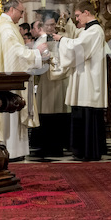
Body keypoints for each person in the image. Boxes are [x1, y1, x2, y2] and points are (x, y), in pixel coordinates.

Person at [0, 0, 49, 160]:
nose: (22, 16)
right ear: (13, 9)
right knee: (11, 115)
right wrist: (36, 52)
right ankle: (12, 151)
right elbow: (15, 53)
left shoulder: (2, 26)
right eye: (21, 12)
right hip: (10, 83)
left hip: (6, 80)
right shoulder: (7, 28)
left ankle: (12, 150)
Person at [52, 0, 108, 161]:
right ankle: (82, 150)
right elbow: (77, 39)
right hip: (84, 77)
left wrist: (61, 40)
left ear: (86, 13)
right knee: (82, 113)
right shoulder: (88, 30)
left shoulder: (95, 30)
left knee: (87, 113)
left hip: (89, 80)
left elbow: (79, 47)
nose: (77, 19)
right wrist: (66, 24)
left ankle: (89, 151)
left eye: (78, 16)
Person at [35, 12, 71, 157]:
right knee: (47, 114)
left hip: (61, 81)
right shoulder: (39, 41)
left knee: (60, 114)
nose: (50, 28)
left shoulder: (62, 39)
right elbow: (35, 58)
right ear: (42, 26)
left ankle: (60, 146)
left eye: (52, 24)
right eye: (48, 25)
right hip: (46, 81)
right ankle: (46, 146)